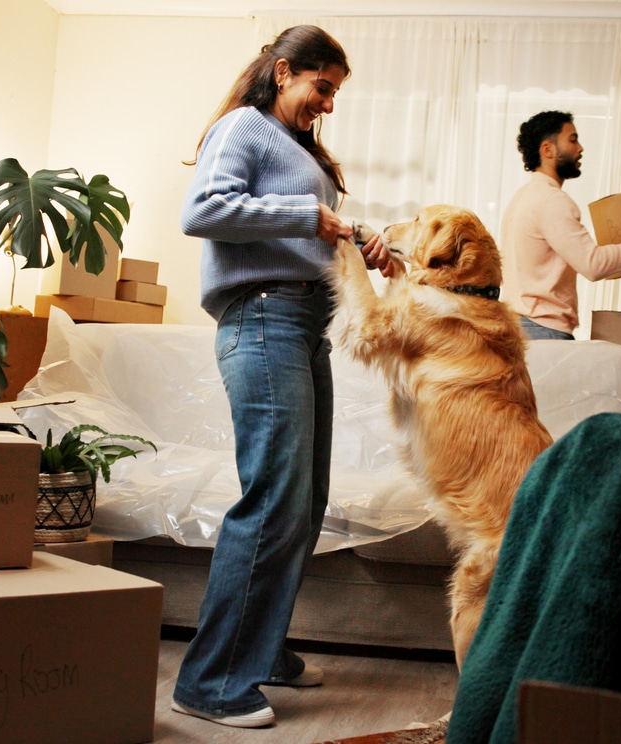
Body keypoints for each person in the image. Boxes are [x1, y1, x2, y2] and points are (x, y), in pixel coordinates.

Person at [173, 25, 389, 729]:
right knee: (273, 500)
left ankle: (257, 650)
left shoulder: (296, 148)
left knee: (301, 501)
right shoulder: (244, 126)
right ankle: (210, 682)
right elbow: (203, 210)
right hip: (263, 318)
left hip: (300, 325)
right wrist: (310, 216)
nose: (327, 103)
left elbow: (301, 232)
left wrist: (355, 236)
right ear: (284, 70)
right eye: (321, 87)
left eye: (334, 92)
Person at [500, 110, 621, 340]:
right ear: (548, 150)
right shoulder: (551, 200)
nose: (580, 148)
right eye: (572, 140)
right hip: (543, 329)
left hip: (521, 327)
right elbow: (593, 264)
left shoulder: (521, 198)